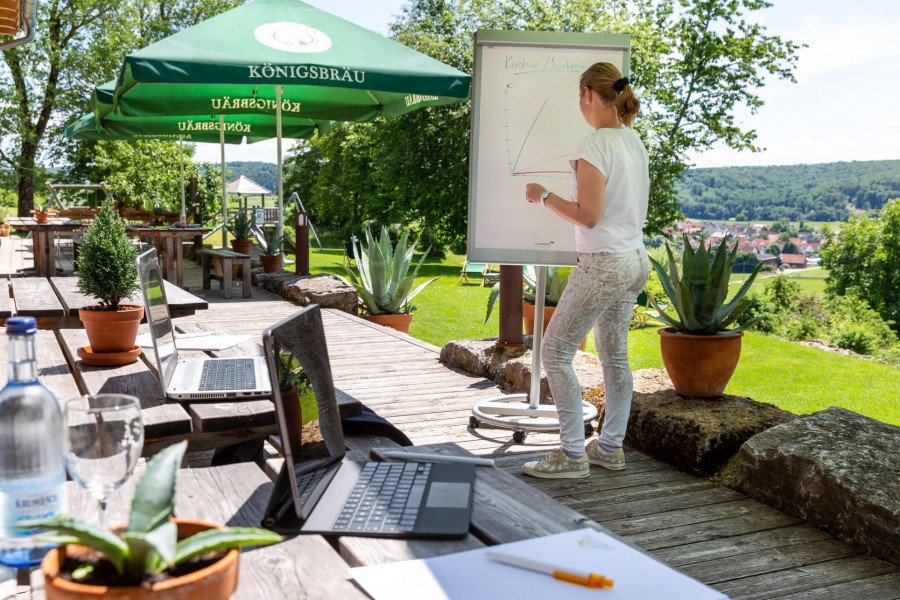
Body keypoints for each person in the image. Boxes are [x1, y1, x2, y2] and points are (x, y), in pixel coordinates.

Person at [521, 62, 650, 479]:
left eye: (581, 97)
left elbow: (589, 216)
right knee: (614, 355)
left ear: (590, 96)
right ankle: (610, 448)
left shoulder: (593, 146)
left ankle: (573, 455)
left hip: (604, 263)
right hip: (634, 261)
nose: (580, 105)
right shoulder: (635, 143)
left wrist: (544, 197)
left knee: (555, 353)